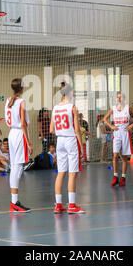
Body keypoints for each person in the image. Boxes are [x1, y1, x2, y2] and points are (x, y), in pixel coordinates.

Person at [50, 83, 85, 214]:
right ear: (70, 93)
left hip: (60, 141)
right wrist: (81, 146)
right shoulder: (72, 107)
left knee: (61, 173)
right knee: (72, 173)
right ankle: (72, 205)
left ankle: (58, 205)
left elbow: (51, 129)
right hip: (70, 139)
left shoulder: (55, 108)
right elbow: (77, 129)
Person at [5, 78, 33, 213]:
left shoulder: (8, 101)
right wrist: (29, 142)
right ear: (22, 88)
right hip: (19, 134)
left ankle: (14, 200)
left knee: (15, 166)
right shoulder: (21, 102)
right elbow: (23, 124)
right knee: (17, 167)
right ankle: (14, 202)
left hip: (11, 134)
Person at [103, 92, 133, 187]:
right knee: (115, 155)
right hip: (116, 133)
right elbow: (105, 119)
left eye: (121, 98)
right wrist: (111, 126)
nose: (119, 99)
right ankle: (115, 176)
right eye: (118, 98)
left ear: (124, 99)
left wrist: (131, 125)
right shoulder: (114, 108)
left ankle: (123, 177)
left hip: (125, 133)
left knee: (124, 157)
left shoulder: (128, 108)